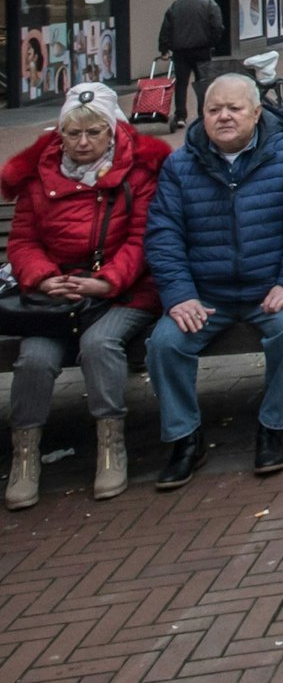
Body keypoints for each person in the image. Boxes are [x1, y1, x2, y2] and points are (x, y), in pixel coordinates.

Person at [143, 74, 283, 489]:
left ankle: (273, 426)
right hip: (207, 295)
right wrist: (179, 296)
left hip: (271, 286)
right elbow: (163, 234)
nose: (224, 116)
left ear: (257, 113)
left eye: (234, 108)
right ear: (202, 116)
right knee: (165, 345)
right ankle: (184, 438)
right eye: (214, 110)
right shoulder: (180, 165)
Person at [2, 85, 173, 509]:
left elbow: (143, 240)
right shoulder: (40, 177)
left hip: (123, 292)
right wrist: (43, 279)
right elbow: (23, 241)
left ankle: (111, 445)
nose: (82, 143)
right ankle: (25, 457)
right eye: (72, 134)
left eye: (93, 132)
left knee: (99, 345)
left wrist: (107, 282)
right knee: (35, 359)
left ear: (112, 130)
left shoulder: (138, 174)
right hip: (57, 297)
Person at [156, 0, 226, 133]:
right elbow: (217, 27)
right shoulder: (209, 4)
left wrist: (164, 49)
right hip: (202, 50)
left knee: (181, 84)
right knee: (203, 83)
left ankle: (180, 115)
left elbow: (166, 29)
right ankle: (203, 115)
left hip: (180, 52)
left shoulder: (176, 5)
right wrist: (212, 42)